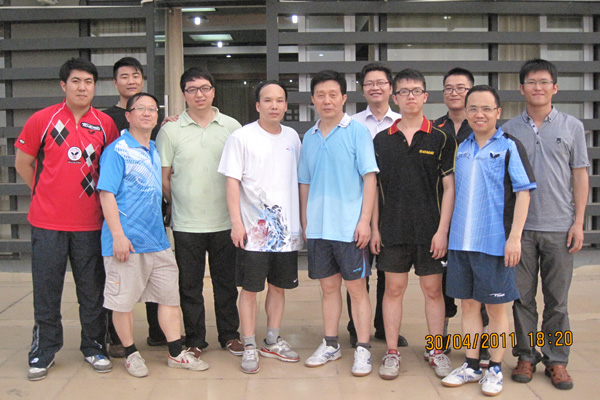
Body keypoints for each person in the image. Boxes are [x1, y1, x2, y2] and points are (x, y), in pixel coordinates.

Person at [15, 58, 119, 381]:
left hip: (91, 224)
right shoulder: (42, 119)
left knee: (92, 291)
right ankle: (44, 350)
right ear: (64, 85)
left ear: (95, 86)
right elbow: (23, 163)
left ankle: (94, 346)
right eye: (76, 81)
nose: (82, 87)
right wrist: (45, 193)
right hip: (47, 224)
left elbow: (111, 171)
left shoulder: (105, 124)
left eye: (88, 82)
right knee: (46, 290)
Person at [98, 92, 208, 378]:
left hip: (157, 241)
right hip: (126, 242)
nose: (147, 113)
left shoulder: (155, 149)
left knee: (168, 298)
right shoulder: (117, 150)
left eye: (152, 109)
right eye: (140, 109)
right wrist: (118, 236)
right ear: (128, 115)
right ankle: (131, 354)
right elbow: (106, 194)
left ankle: (175, 353)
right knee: (122, 302)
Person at [442, 85, 536, 396]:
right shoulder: (460, 147)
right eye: (473, 108)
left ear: (498, 112)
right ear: (465, 112)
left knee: (496, 309)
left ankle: (494, 368)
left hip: (495, 244)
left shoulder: (509, 145)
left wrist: (515, 238)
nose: (479, 114)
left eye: (486, 108)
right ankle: (471, 365)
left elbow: (523, 193)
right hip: (461, 242)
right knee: (468, 305)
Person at [504, 59, 589, 390]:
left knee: (558, 301)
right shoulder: (509, 129)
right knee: (522, 298)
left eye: (543, 82)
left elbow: (579, 175)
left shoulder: (572, 127)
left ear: (555, 87)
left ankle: (557, 360)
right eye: (531, 82)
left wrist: (578, 222)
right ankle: (526, 355)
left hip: (560, 227)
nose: (537, 87)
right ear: (521, 88)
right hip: (521, 230)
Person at [371, 69, 455, 380]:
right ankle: (392, 352)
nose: (410, 96)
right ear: (394, 97)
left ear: (425, 96)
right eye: (404, 91)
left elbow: (450, 188)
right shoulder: (381, 140)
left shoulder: (441, 137)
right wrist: (375, 228)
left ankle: (436, 350)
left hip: (430, 232)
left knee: (433, 291)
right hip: (392, 230)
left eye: (416, 91)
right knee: (393, 289)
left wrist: (442, 231)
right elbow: (374, 188)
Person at [156, 67, 244, 358]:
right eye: (192, 89)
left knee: (226, 284)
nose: (199, 94)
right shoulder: (170, 130)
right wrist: (181, 201)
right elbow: (164, 177)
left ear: (214, 92)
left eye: (205, 88)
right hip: (186, 224)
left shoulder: (232, 127)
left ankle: (230, 335)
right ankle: (195, 339)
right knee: (189, 286)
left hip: (225, 221)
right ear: (184, 94)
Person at [218, 81, 303, 374]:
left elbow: (298, 181)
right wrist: (236, 223)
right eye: (268, 100)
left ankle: (272, 340)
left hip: (286, 233)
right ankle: (250, 343)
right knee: (250, 289)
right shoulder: (241, 137)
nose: (274, 105)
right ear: (257, 105)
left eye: (279, 100)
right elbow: (232, 182)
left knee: (278, 287)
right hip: (253, 233)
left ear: (286, 105)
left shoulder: (292, 137)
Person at [299, 70, 378, 377]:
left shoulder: (357, 131)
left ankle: (363, 348)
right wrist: (306, 221)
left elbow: (369, 178)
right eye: (321, 95)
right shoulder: (310, 136)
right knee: (328, 288)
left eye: (333, 94)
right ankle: (331, 344)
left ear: (344, 98)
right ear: (313, 100)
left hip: (349, 228)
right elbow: (305, 182)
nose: (327, 100)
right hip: (320, 228)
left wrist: (364, 221)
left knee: (357, 290)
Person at [103, 56, 165, 358]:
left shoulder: (153, 123)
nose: (131, 80)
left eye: (136, 75)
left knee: (157, 281)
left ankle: (159, 333)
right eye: (124, 76)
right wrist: (116, 231)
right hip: (118, 213)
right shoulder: (105, 120)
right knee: (120, 286)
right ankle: (119, 341)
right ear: (115, 82)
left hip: (150, 221)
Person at [433, 67, 491, 368]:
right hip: (441, 220)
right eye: (449, 88)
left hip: (475, 222)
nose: (454, 93)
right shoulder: (434, 128)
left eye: (461, 88)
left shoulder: (483, 127)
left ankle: (479, 346)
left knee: (477, 290)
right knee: (440, 287)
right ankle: (439, 342)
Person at [348, 62, 407, 348]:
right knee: (358, 271)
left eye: (381, 82)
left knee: (390, 270)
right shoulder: (352, 123)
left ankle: (385, 327)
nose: (375, 88)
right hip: (358, 206)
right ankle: (355, 327)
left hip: (392, 205)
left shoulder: (402, 121)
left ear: (390, 88)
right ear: (362, 89)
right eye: (369, 83)